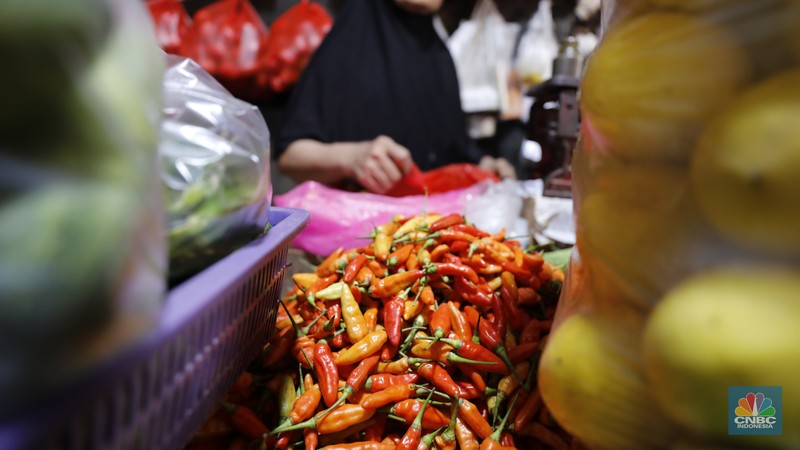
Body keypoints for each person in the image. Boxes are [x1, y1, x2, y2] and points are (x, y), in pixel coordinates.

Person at [275, 0, 516, 194]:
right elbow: (290, 156)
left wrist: (485, 166)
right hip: (362, 240)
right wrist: (350, 157)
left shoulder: (439, 56)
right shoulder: (347, 46)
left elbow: (452, 146)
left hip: (429, 236)